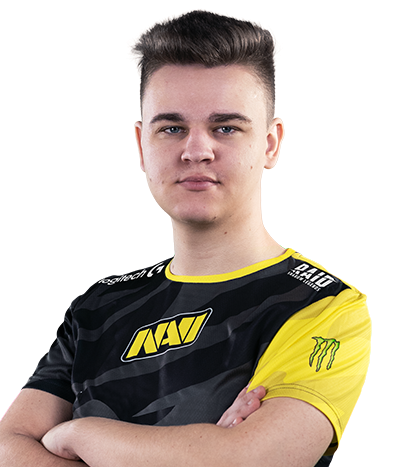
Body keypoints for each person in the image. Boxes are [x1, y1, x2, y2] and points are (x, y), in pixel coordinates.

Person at [0, 10, 371, 467]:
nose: (196, 151)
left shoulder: (323, 307)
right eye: (172, 128)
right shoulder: (96, 307)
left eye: (226, 127)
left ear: (271, 144)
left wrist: (79, 433)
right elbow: (7, 445)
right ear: (142, 145)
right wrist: (202, 450)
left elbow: (250, 462)